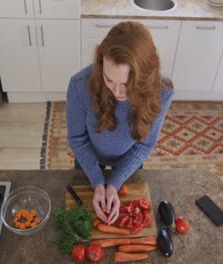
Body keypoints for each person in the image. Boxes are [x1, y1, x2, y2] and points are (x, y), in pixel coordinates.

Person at [66, 21, 174, 225]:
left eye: (126, 84)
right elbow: (77, 139)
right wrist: (98, 183)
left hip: (129, 158)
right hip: (89, 157)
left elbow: (145, 144)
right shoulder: (79, 85)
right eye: (109, 80)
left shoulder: (163, 91)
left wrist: (114, 184)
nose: (117, 92)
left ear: (145, 77)